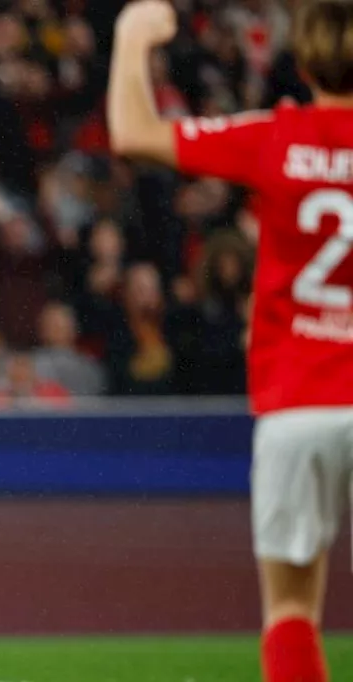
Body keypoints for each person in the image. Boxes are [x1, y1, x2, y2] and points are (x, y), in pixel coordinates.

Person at [108, 2, 353, 681]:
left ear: (301, 64)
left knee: (292, 611)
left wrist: (132, 38)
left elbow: (134, 133)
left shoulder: (278, 136)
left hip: (299, 400)